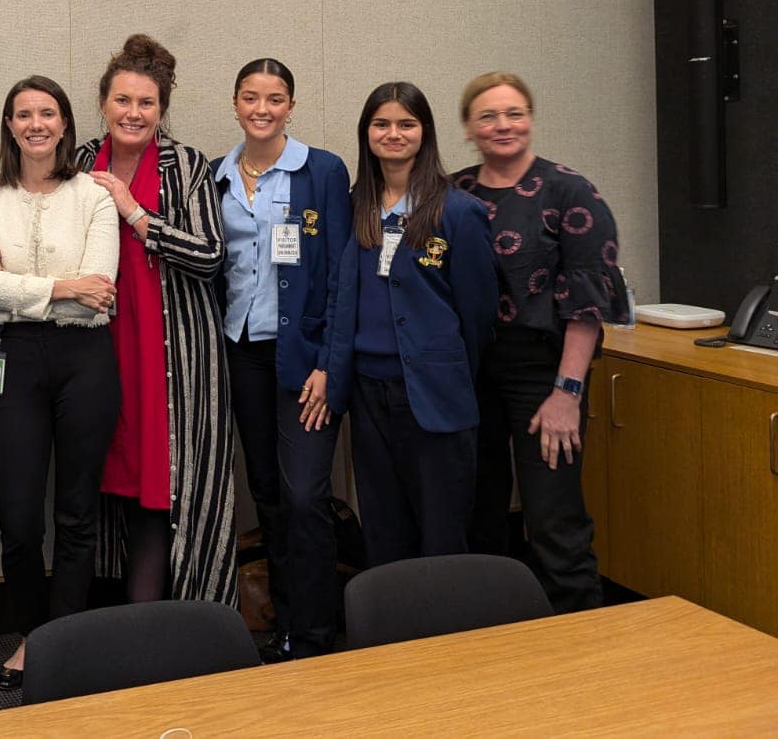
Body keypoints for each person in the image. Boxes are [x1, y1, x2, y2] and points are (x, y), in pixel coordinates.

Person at [0, 75, 120, 691]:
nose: (36, 124)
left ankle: (67, 638)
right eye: (23, 114)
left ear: (64, 124)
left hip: (85, 361)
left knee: (78, 513)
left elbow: (99, 290)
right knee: (20, 518)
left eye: (47, 113)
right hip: (10, 359)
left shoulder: (95, 197)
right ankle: (31, 636)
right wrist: (60, 286)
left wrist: (19, 285)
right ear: (9, 125)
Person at [72, 35, 237, 610]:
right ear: (102, 102)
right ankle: (101, 621)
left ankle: (156, 621)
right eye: (122, 101)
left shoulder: (184, 164)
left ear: (161, 110)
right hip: (96, 343)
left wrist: (136, 213)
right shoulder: (78, 159)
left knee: (158, 478)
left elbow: (210, 255)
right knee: (100, 471)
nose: (133, 113)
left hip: (170, 352)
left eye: (146, 103)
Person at [455, 71, 627, 612]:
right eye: (488, 116)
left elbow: (588, 304)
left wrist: (567, 393)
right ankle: (491, 641)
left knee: (553, 518)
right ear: (469, 128)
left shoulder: (570, 191)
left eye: (514, 113)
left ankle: (580, 647)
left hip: (544, 372)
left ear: (530, 118)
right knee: (476, 514)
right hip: (470, 370)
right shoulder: (453, 191)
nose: (502, 125)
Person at [212, 57, 351, 660]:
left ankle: (317, 633)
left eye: (274, 98)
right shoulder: (216, 176)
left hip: (306, 358)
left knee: (303, 496)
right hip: (242, 351)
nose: (261, 109)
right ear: (236, 104)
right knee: (265, 493)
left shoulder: (321, 172)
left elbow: (346, 275)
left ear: (291, 105)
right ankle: (287, 625)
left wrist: (330, 362)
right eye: (250, 97)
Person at [324, 82, 496, 566]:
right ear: (366, 133)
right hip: (369, 391)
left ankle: (446, 642)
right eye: (382, 124)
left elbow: (478, 316)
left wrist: (442, 367)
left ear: (425, 132)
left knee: (442, 535)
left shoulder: (458, 212)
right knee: (383, 530)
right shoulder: (357, 206)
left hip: (434, 394)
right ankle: (395, 640)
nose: (393, 134)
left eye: (406, 124)